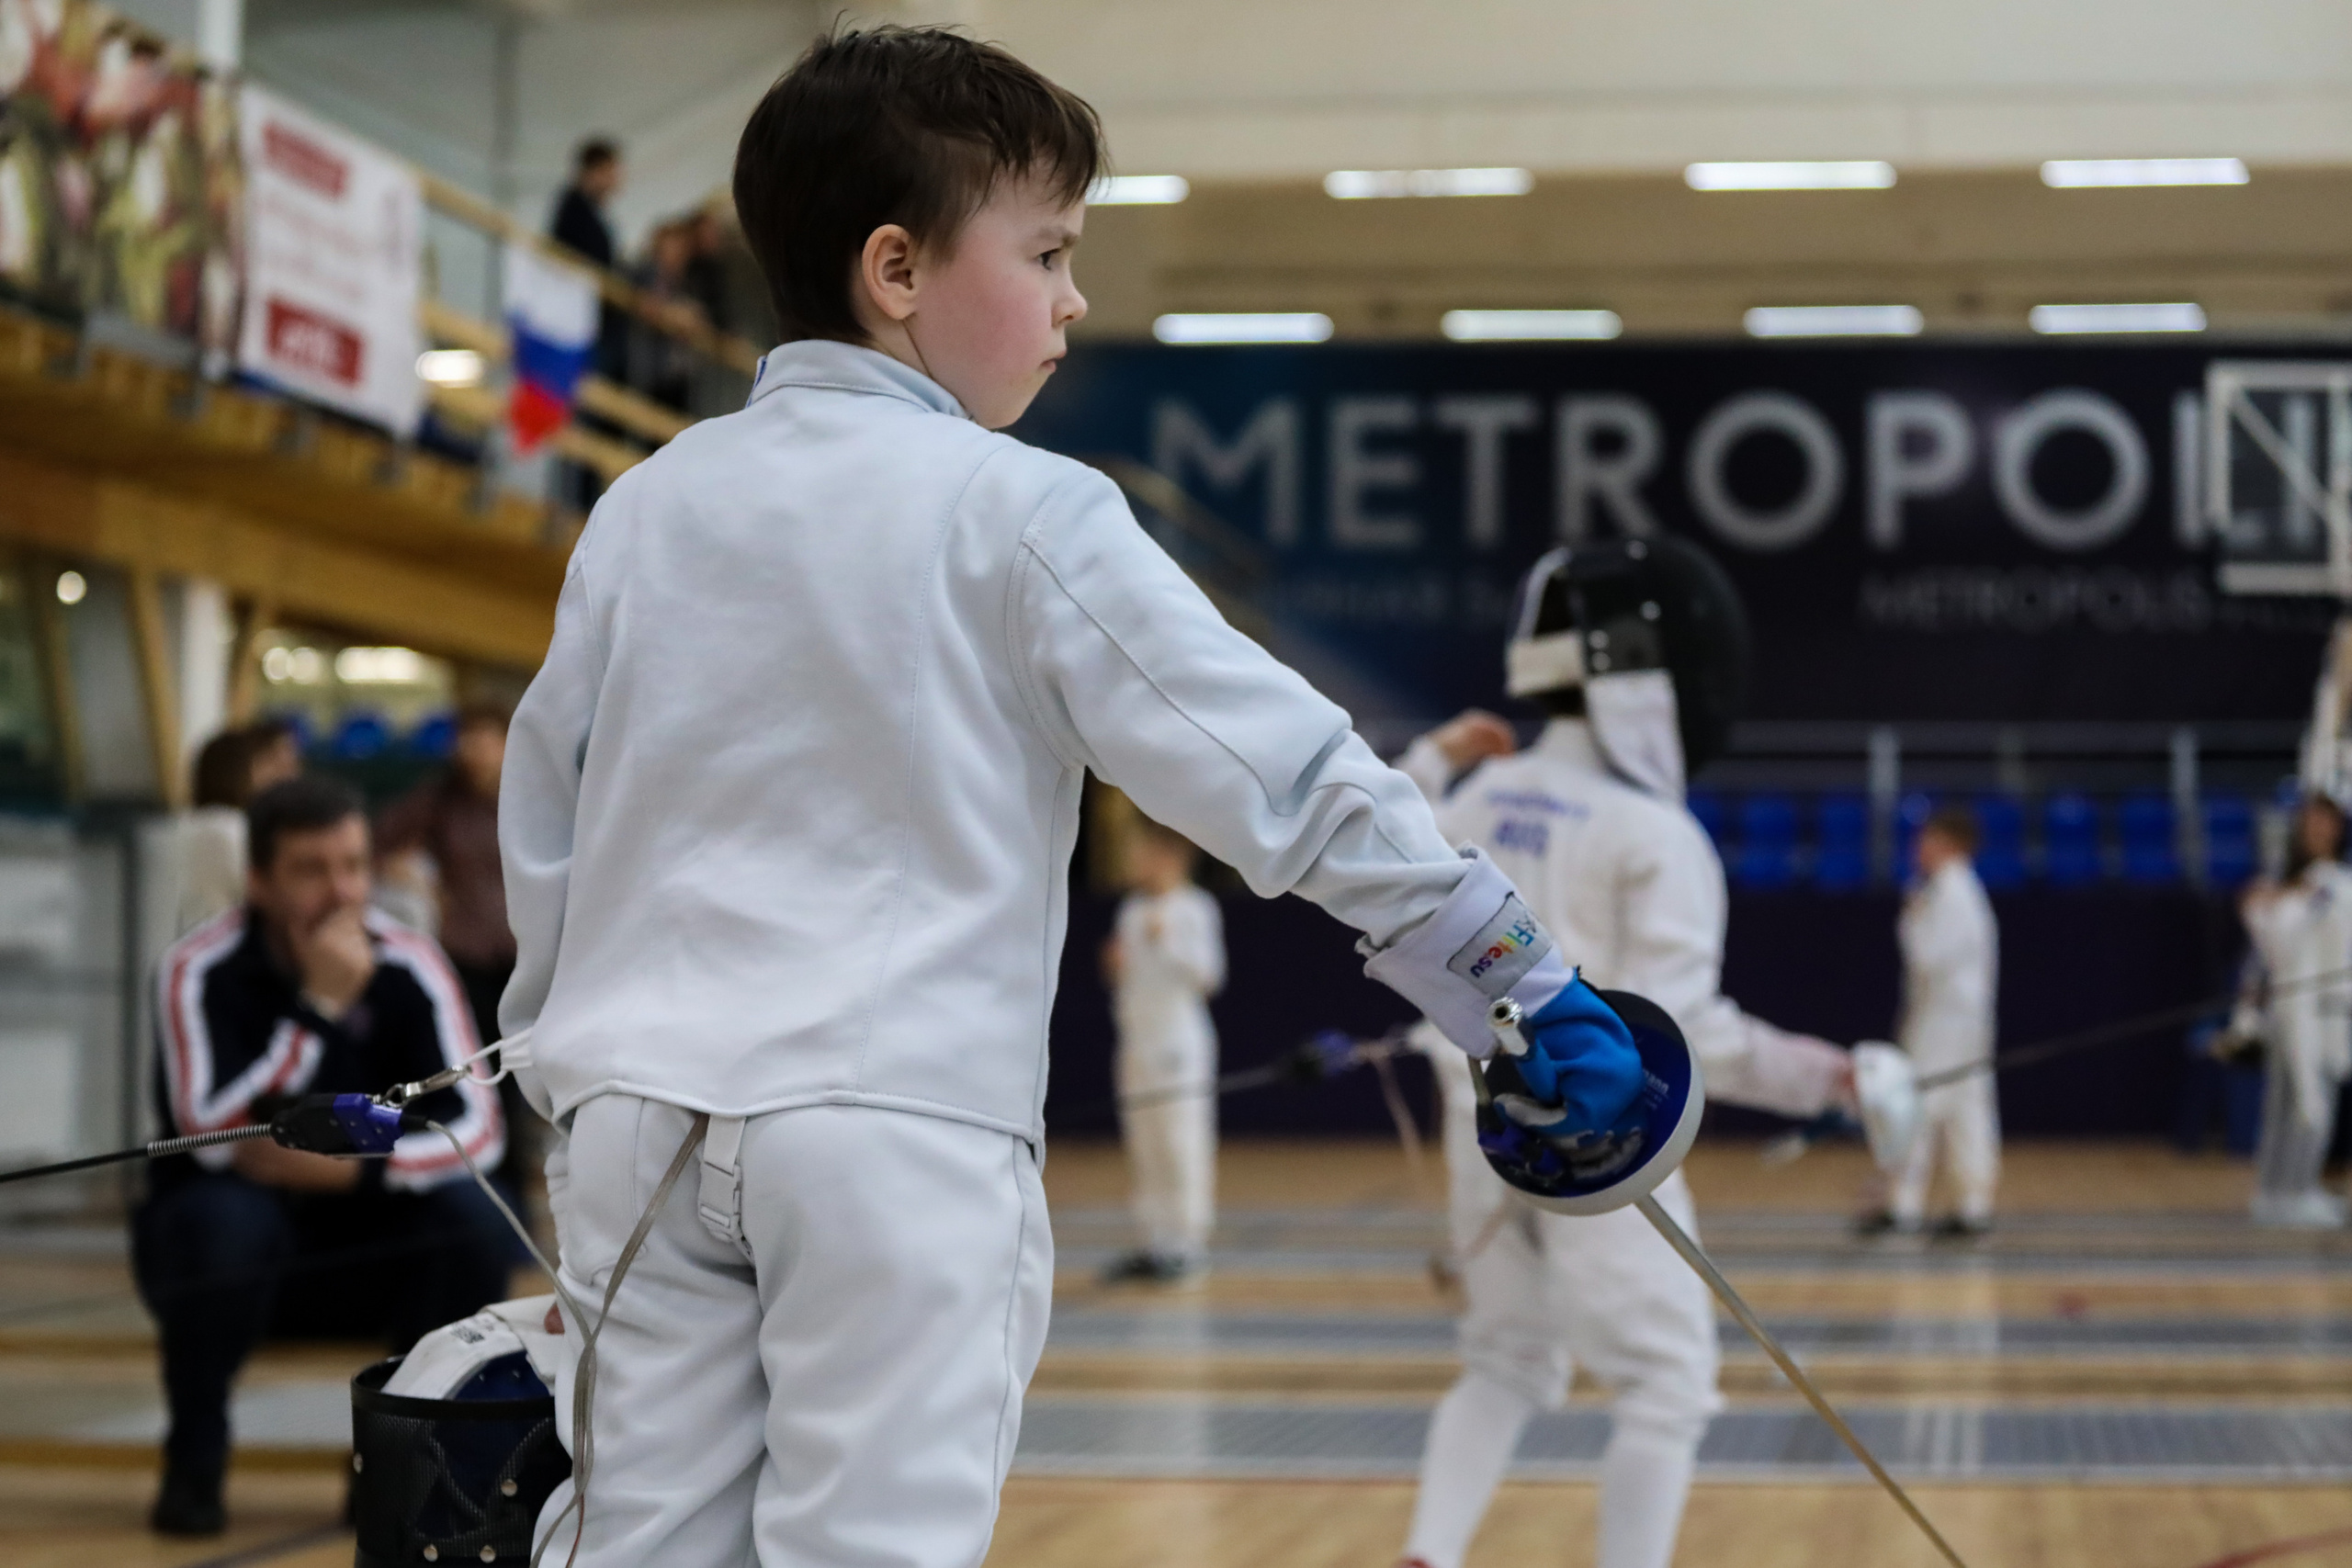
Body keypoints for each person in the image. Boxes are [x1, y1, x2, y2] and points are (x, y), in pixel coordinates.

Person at [498, 26, 1645, 1568]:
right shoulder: (1019, 507)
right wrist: (1511, 970)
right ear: (896, 270)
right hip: (891, 1132)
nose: (1073, 296)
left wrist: (560, 1071)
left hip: (631, 1127)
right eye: (1045, 251)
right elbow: (1275, 769)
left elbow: (548, 831)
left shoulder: (642, 507)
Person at [1393, 538, 1869, 1568]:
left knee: (1504, 1361)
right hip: (1605, 1159)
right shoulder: (1651, 833)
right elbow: (1692, 1033)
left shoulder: (1471, 799)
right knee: (1663, 1386)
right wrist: (1836, 1077)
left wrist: (1433, 756)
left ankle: (1424, 1556)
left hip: (1485, 1141)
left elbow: (1381, 839)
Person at [134, 775, 511, 1537]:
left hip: (365, 1235)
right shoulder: (196, 969)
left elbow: (476, 1127)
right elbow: (213, 1134)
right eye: (312, 870)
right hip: (231, 1249)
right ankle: (194, 1459)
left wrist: (360, 1163)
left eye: (353, 865)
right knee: (222, 1215)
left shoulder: (410, 962)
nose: (341, 892)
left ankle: (400, 1467)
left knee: (471, 1218)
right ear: (260, 882)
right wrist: (319, 1011)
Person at [1101, 818, 1226, 1283]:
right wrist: (1114, 967)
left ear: (1171, 855)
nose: (1136, 862)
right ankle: (1153, 1241)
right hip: (1137, 1039)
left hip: (1179, 1043)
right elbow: (1129, 984)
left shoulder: (1195, 907)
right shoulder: (1132, 910)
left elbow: (1209, 977)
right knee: (1145, 1140)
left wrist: (1166, 942)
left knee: (1180, 1140)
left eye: (1143, 852)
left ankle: (1187, 1244)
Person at [1879, 805, 2002, 1238]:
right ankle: (1973, 1207)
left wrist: (1910, 918)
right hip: (1962, 1020)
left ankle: (1904, 1207)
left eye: (1928, 839)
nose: (1920, 848)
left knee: (1919, 1106)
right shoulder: (1960, 891)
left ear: (1951, 845)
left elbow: (1927, 959)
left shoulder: (1949, 894)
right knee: (1967, 1110)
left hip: (1946, 1022)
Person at [2241, 791, 2352, 1227]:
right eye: (2312, 823)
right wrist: (2264, 909)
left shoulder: (2333, 881)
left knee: (2309, 1102)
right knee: (2301, 1103)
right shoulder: (2297, 886)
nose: (2320, 831)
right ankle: (2282, 1192)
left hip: (2331, 1007)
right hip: (2300, 1008)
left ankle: (2292, 1189)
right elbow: (2279, 941)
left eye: (2328, 823)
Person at [175, 718, 300, 935]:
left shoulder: (211, 824)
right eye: (271, 763)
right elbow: (280, 898)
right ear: (236, 771)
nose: (288, 775)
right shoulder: (225, 829)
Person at [548, 137, 622, 271]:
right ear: (594, 172)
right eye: (610, 172)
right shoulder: (575, 211)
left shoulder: (590, 209)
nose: (614, 179)